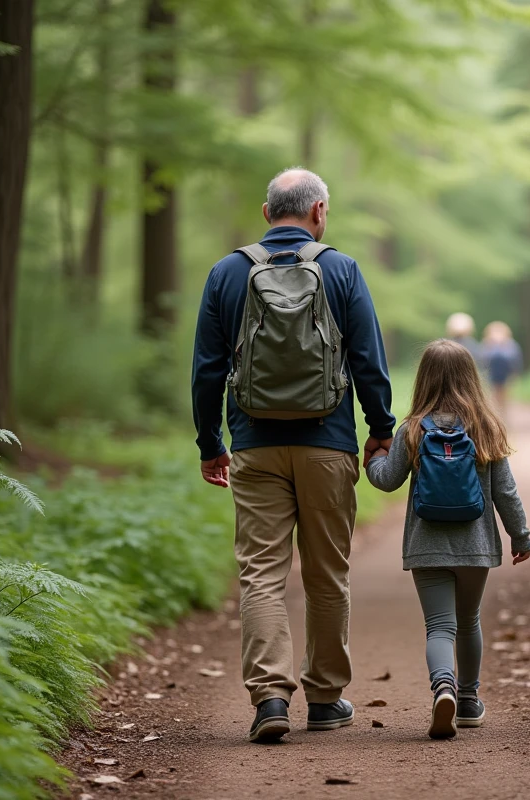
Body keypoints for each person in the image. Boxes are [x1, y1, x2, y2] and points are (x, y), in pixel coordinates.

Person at [192, 167, 396, 744]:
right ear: (319, 211)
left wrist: (211, 443)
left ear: (267, 213)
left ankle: (270, 699)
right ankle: (325, 699)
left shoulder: (227, 272)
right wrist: (381, 428)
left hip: (254, 446)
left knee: (261, 575)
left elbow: (207, 369)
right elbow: (368, 359)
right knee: (328, 575)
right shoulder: (341, 269)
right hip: (328, 445)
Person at [365, 339, 530, 739]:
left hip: (426, 544)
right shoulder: (486, 427)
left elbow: (387, 480)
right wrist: (520, 535)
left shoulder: (411, 430)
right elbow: (506, 492)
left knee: (440, 625)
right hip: (476, 545)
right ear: (471, 377)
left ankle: (443, 688)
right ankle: (469, 700)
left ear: (423, 379)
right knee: (469, 620)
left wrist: (373, 460)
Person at [479, 321, 523, 417]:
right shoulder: (487, 344)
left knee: (504, 397)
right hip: (491, 375)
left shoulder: (511, 345)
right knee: (492, 398)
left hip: (506, 375)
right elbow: (483, 360)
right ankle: (495, 417)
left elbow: (515, 360)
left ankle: (502, 416)